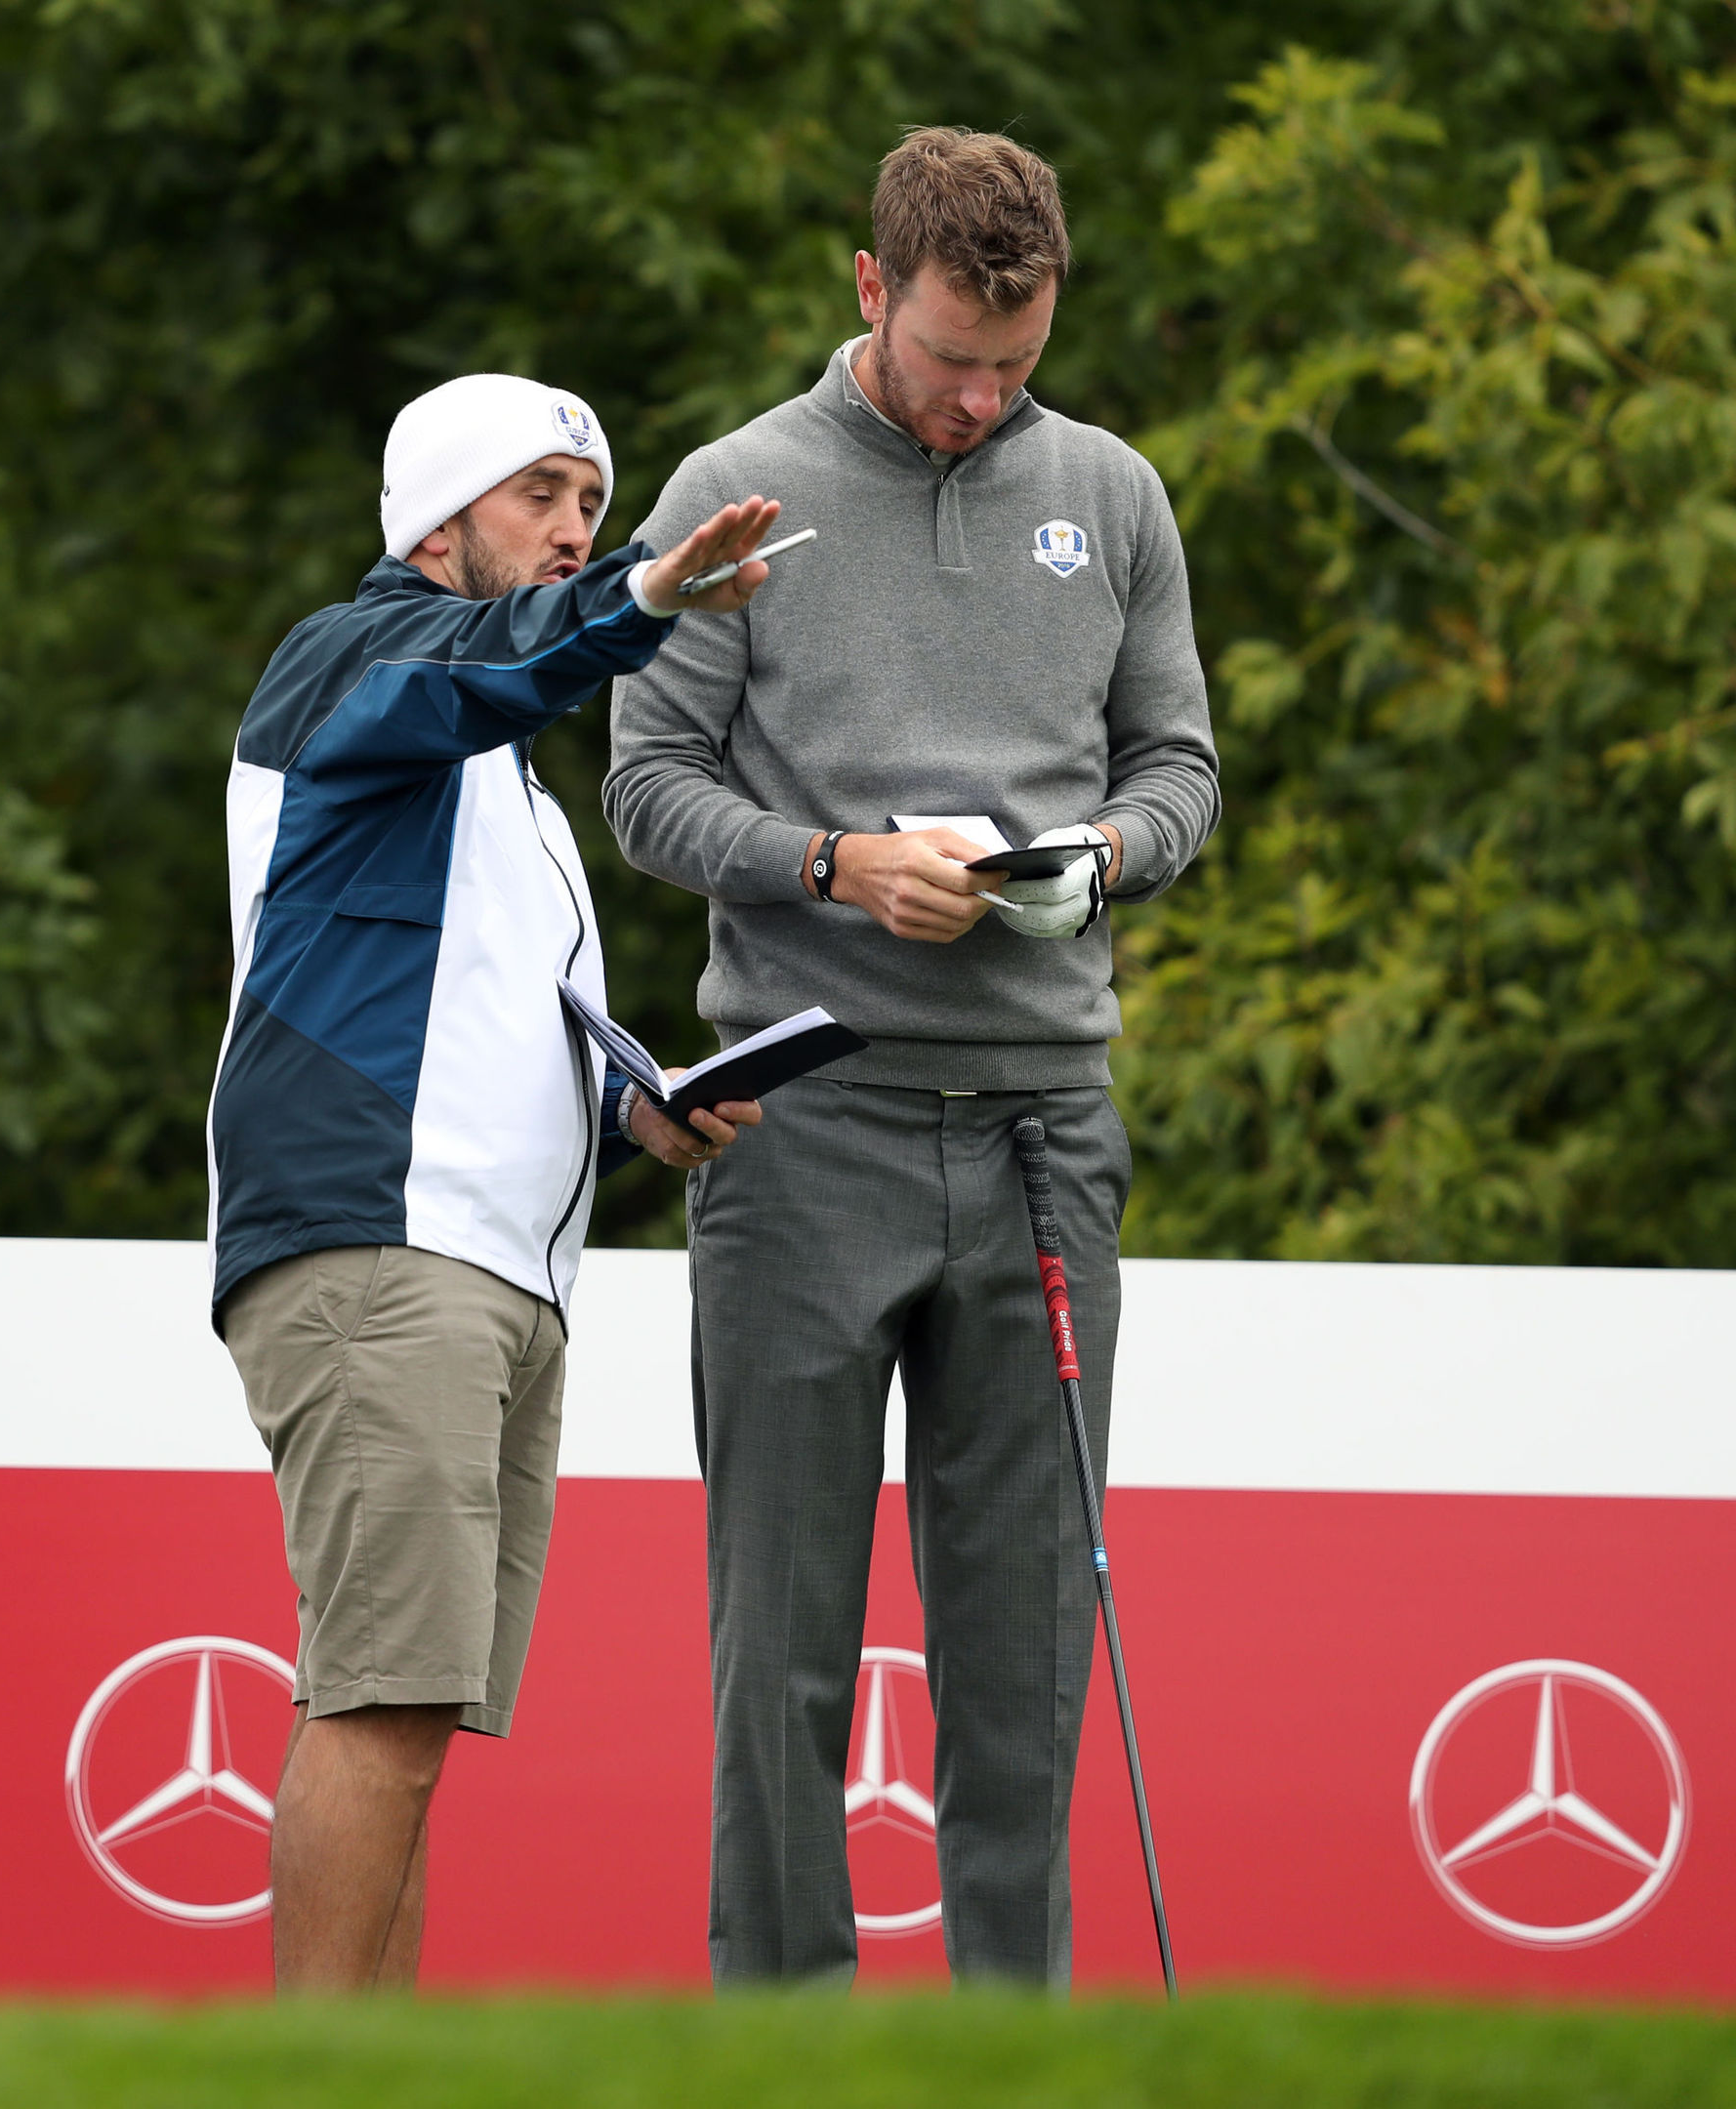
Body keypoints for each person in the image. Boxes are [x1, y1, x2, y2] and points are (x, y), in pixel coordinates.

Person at [603, 128, 1220, 1987]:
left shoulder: (1106, 493)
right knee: (777, 1644)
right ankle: (789, 2051)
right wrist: (835, 866)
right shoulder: (736, 488)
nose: (978, 401)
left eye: (1014, 369)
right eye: (953, 357)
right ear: (870, 290)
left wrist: (1099, 861)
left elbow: (1176, 775)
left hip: (1044, 1122)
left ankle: (1004, 2055)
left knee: (1024, 1648)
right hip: (802, 1126)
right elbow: (642, 785)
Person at [208, 372, 784, 1993]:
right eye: (539, 495)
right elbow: (489, 664)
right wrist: (644, 596)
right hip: (385, 1257)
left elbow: (463, 1043)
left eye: (591, 508)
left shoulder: (500, 781)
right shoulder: (357, 659)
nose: (571, 529)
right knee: (378, 1708)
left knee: (404, 1719)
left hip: (486, 1272)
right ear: (435, 520)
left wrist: (634, 1119)